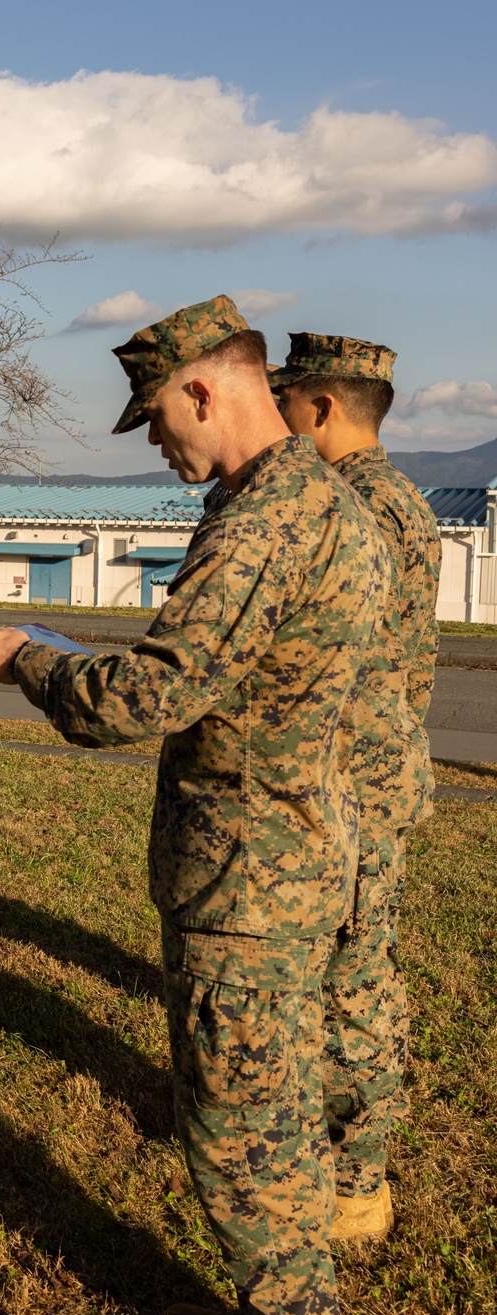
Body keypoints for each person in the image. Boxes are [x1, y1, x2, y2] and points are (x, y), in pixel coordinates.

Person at [0, 296, 388, 1315]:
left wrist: (29, 663)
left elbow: (148, 696)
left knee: (238, 1118)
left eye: (155, 418)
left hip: (245, 874)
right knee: (280, 1102)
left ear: (204, 389)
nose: (157, 442)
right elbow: (238, 674)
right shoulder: (324, 501)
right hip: (298, 847)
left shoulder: (259, 524)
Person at [269, 334, 441, 1241]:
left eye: (287, 402)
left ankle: (354, 1178)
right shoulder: (404, 500)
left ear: (323, 408)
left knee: (353, 980)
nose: (279, 419)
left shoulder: (344, 509)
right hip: (381, 767)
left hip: (351, 779)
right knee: (354, 967)